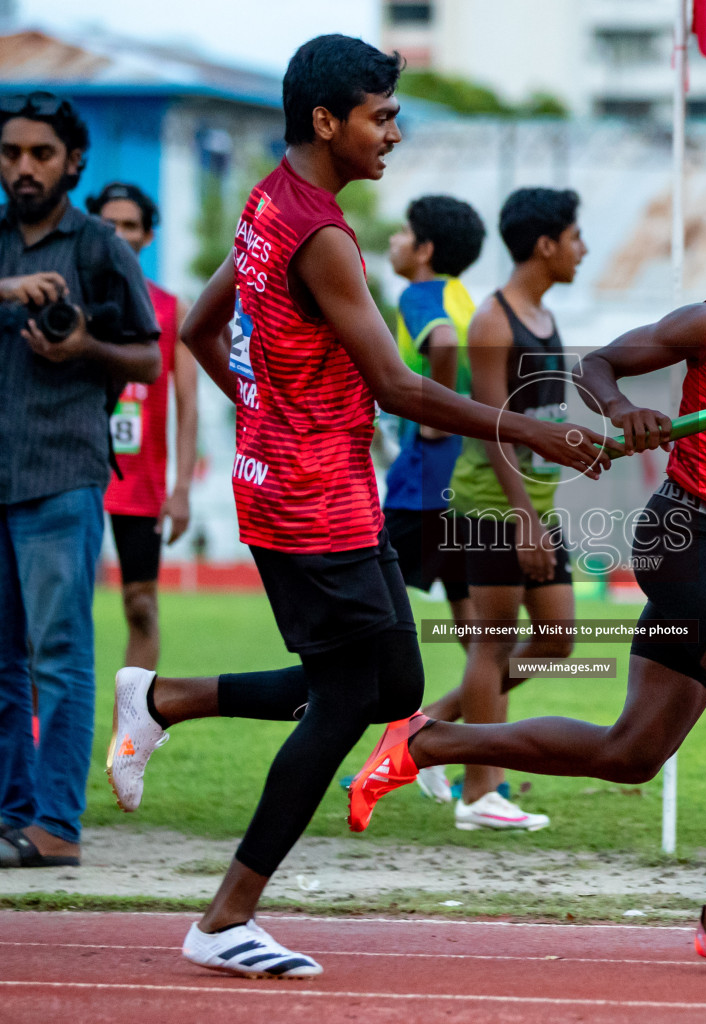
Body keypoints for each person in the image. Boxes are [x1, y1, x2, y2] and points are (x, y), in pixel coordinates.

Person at [100, 34, 614, 979]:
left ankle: (164, 699)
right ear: (327, 121)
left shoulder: (271, 202)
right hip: (307, 503)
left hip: (328, 489)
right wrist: (530, 432)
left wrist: (262, 411)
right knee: (344, 701)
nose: (395, 133)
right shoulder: (324, 236)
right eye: (381, 116)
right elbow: (400, 387)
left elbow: (209, 328)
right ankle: (224, 917)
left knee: (396, 689)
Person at [348, 178, 706, 977]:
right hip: (679, 536)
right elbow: (600, 365)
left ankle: (429, 740)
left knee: (631, 753)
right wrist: (623, 411)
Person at [0, 92, 162, 869]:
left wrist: (83, 346)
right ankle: (16, 816)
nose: (25, 167)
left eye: (42, 155)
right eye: (12, 153)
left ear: (73, 162)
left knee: (58, 653)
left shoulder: (98, 246)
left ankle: (56, 827)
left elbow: (149, 359)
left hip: (62, 478)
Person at [411, 188, 588, 829]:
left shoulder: (542, 315)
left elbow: (539, 417)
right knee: (492, 643)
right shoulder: (493, 320)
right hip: (492, 508)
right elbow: (491, 428)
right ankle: (481, 791)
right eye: (574, 237)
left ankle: (429, 734)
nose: (583, 249)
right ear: (545, 245)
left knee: (557, 639)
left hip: (534, 505)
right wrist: (523, 519)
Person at [86, 182, 199, 670]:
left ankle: (130, 738)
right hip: (76, 474)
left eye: (130, 225)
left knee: (141, 605)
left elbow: (188, 405)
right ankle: (38, 733)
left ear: (148, 235)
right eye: (108, 224)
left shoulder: (172, 308)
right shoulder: (69, 301)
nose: (119, 234)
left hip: (141, 484)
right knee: (55, 609)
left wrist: (181, 489)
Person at [380, 195, 483, 657]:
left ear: (424, 250)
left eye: (402, 231)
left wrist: (433, 423)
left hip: (424, 478)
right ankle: (487, 724)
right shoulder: (465, 299)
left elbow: (441, 342)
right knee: (472, 622)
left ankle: (362, 698)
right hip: (466, 477)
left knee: (371, 590)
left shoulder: (419, 295)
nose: (392, 240)